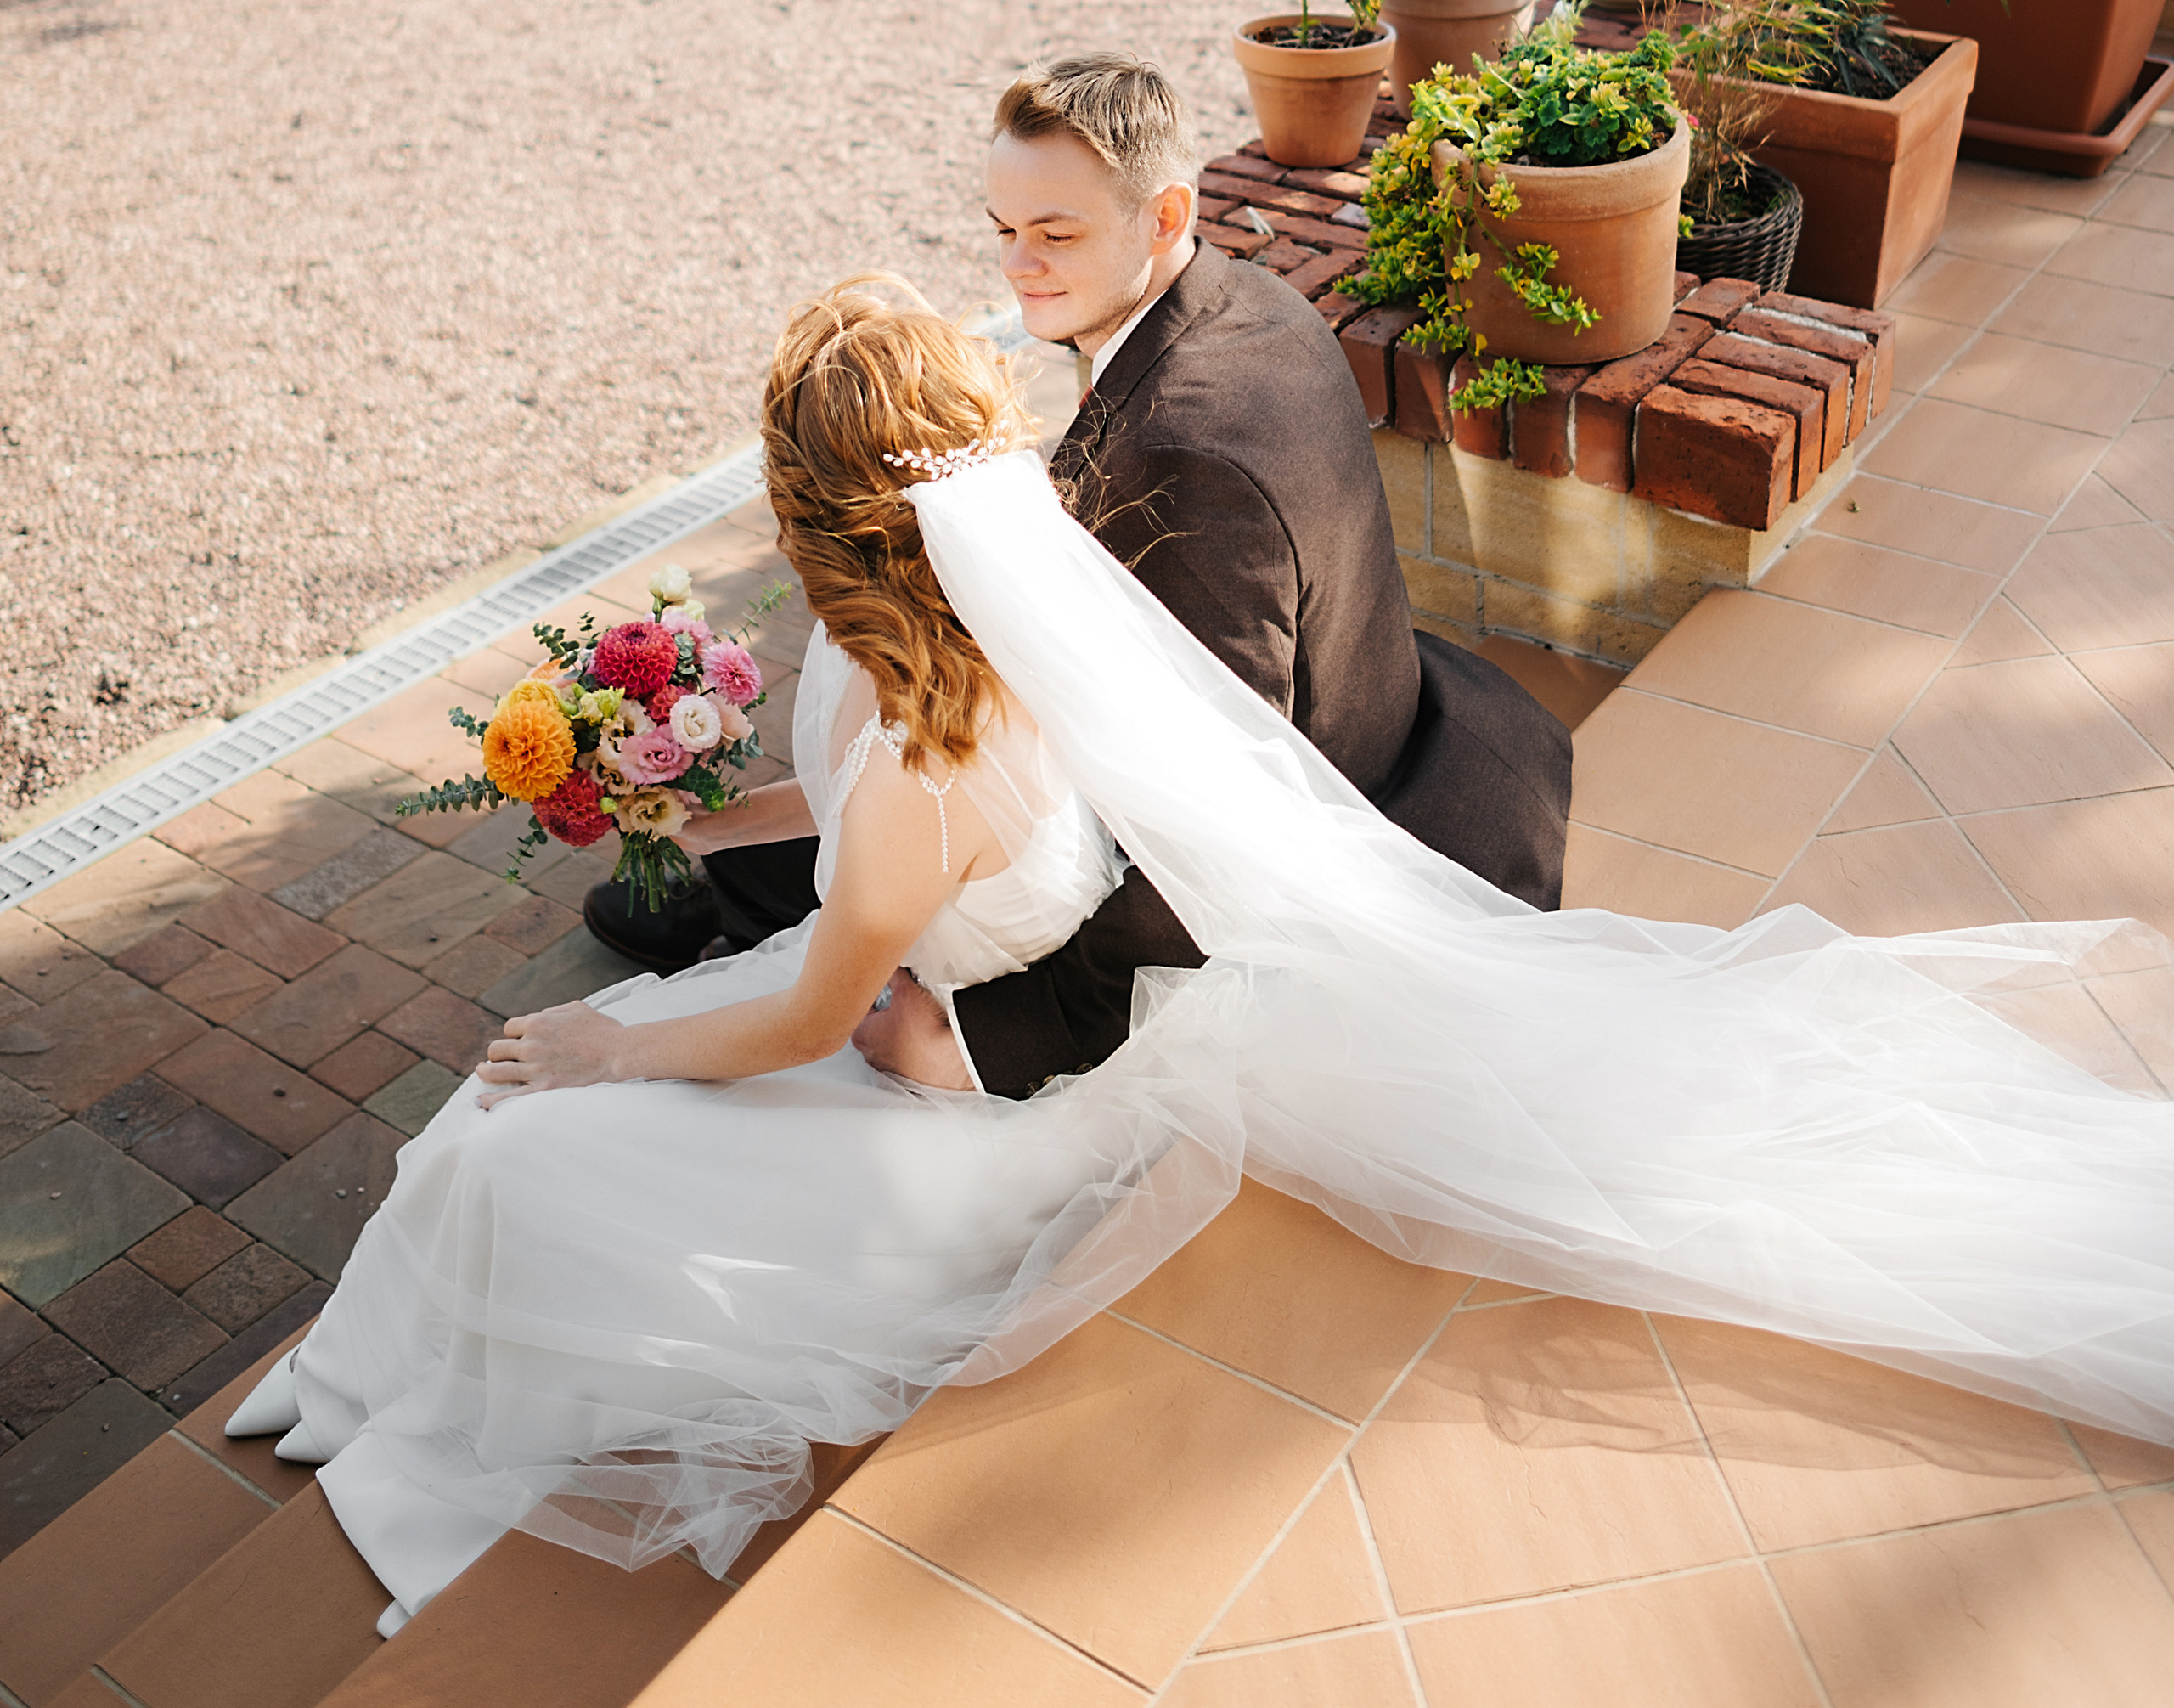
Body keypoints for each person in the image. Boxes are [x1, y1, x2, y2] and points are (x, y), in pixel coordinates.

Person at [232, 284, 2174, 1637]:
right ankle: (381, 1356)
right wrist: (699, 831)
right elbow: (873, 857)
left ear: (812, 523)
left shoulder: (908, 745)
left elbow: (824, 994)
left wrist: (604, 1052)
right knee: (553, 1101)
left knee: (528, 1134)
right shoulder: (1018, 621)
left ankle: (373, 1394)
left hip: (961, 1094)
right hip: (975, 1009)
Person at [586, 54, 1571, 1102]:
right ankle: (743, 895)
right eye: (1002, 230)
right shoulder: (1243, 298)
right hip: (1386, 707)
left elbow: (1212, 827)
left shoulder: (1189, 463)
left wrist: (987, 1042)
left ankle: (743, 921)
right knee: (827, 828)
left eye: (1055, 236)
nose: (1019, 266)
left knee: (854, 841)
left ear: (1162, 215)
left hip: (1333, 817)